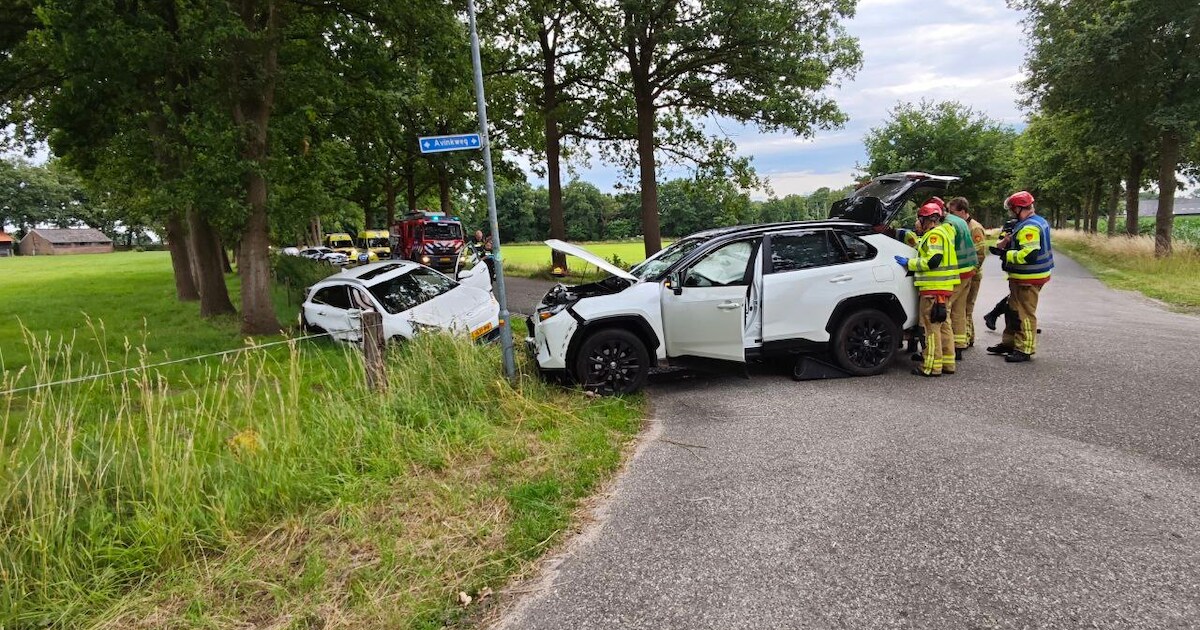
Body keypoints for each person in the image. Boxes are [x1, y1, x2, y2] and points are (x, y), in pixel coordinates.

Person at [895, 201, 960, 377]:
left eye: (919, 219)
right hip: (943, 289)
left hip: (933, 289)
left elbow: (933, 261)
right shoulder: (945, 233)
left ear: (927, 220)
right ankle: (948, 363)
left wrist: (909, 263)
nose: (918, 223)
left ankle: (931, 366)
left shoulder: (934, 235)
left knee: (931, 329)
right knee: (944, 326)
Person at [987, 190, 1053, 362]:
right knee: (1012, 310)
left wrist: (1006, 254)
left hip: (1028, 278)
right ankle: (1009, 343)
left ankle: (1025, 349)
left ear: (1018, 208)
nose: (1011, 213)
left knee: (1024, 313)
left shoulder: (1029, 227)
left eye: (1012, 209)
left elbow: (1029, 255)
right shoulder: (1035, 221)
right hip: (1024, 277)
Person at [946, 197, 986, 349]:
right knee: (961, 308)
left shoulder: (974, 228)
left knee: (967, 308)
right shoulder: (960, 225)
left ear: (962, 211)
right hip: (967, 273)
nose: (949, 215)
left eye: (952, 212)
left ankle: (967, 339)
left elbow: (980, 253)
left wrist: (972, 270)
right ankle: (966, 338)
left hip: (972, 275)